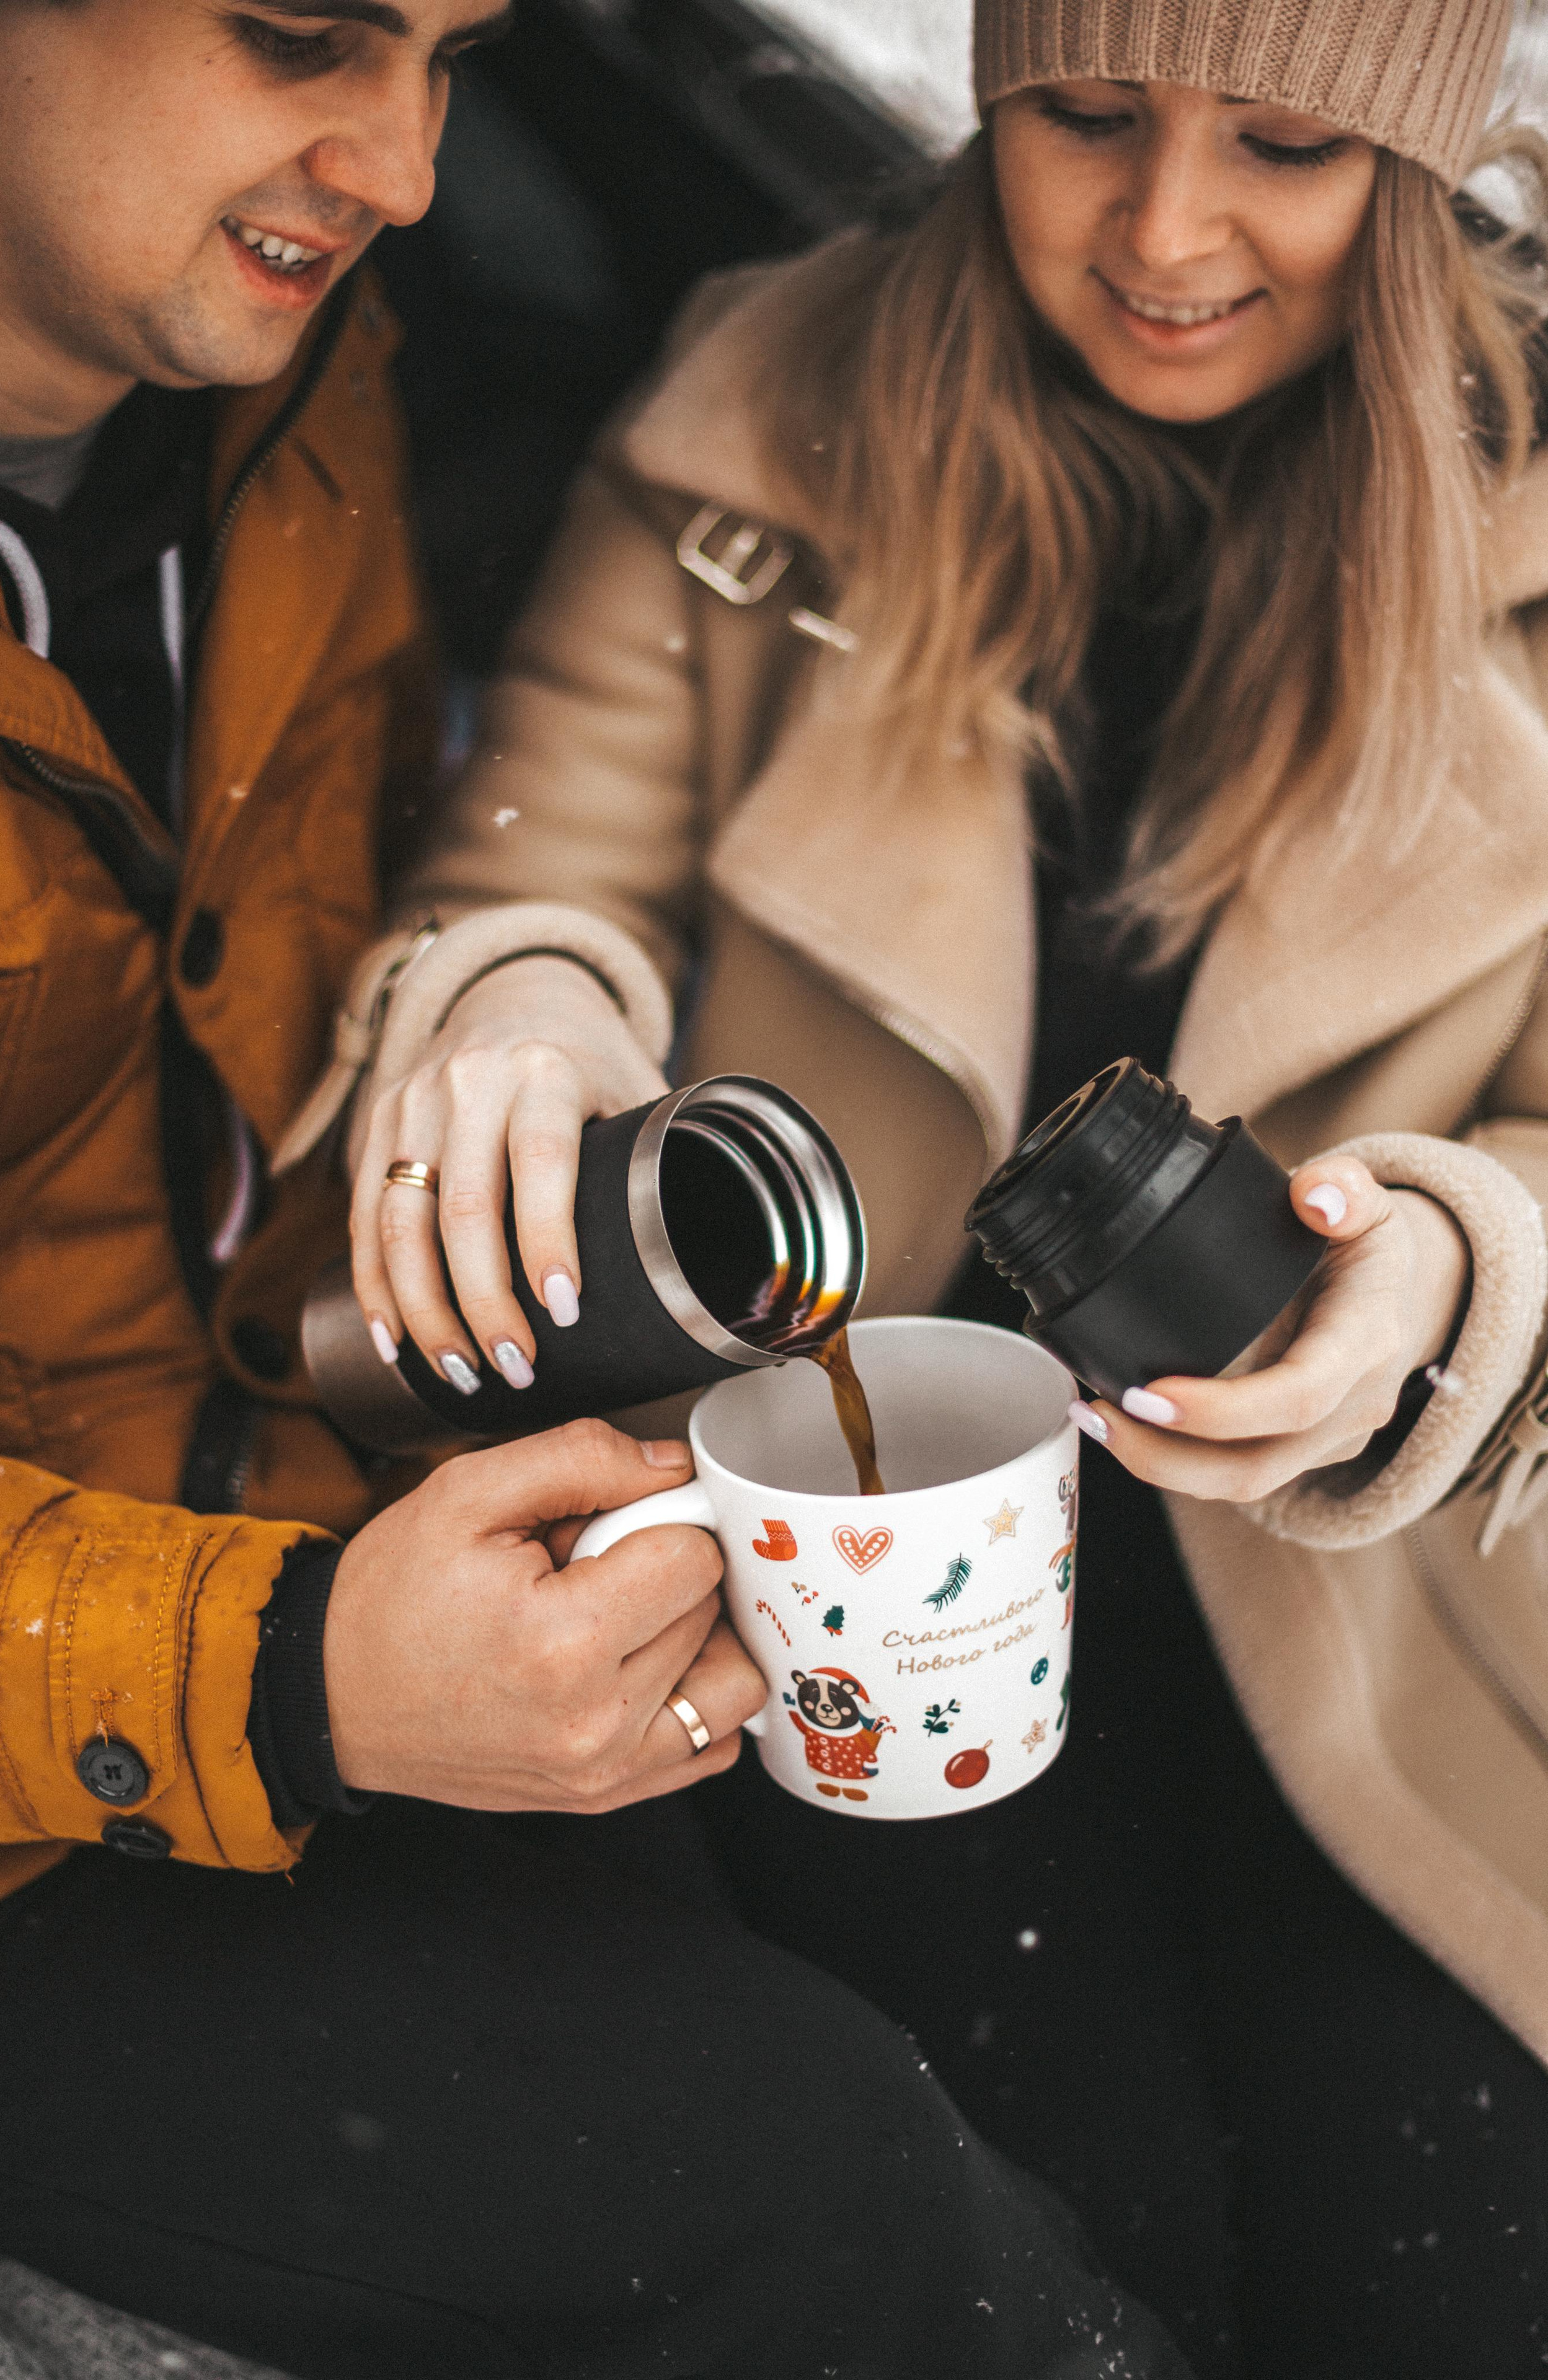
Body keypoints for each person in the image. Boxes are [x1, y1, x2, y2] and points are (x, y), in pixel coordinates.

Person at [0, 5, 1198, 2376]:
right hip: (48, 1787)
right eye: (310, 35)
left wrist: (500, 1030)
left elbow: (340, 952)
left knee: (1027, 1993)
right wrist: (294, 1676)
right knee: (836, 2192)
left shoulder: (284, 385)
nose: (410, 161)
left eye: (456, 54)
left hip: (308, 1517)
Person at [332, 0, 1548, 2370]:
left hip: (1403, 1616)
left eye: (1284, 150)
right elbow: (528, 864)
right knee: (1036, 2276)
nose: (1168, 234)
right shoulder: (757, 410)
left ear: (1411, 173)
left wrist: (1455, 1268)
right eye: (1086, 115)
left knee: (1453, 2277)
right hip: (849, 1596)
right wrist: (524, 1011)